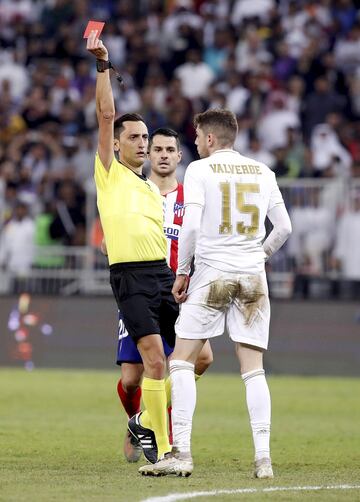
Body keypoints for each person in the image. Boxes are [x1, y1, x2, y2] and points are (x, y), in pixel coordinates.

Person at [138, 109, 292, 477]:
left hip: (212, 273)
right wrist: (260, 255)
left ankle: (182, 454)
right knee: (253, 369)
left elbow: (190, 226)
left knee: (182, 361)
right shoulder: (263, 171)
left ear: (209, 139)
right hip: (252, 277)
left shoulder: (199, 170)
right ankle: (263, 460)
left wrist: (183, 271)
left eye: (195, 137)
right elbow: (284, 227)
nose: (193, 143)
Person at [86, 31, 177, 464]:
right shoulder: (110, 172)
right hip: (131, 276)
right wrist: (103, 64)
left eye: (146, 138)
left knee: (191, 360)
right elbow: (106, 115)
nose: (142, 143)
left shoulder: (148, 188)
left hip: (162, 274)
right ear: (118, 142)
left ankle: (145, 423)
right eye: (135, 137)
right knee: (147, 365)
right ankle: (162, 447)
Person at [106, 128, 213, 462]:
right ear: (148, 155)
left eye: (170, 149)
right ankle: (135, 422)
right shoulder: (135, 190)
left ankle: (147, 422)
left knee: (202, 358)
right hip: (139, 288)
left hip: (180, 293)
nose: (164, 155)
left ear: (180, 156)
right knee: (132, 378)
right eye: (157, 149)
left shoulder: (192, 200)